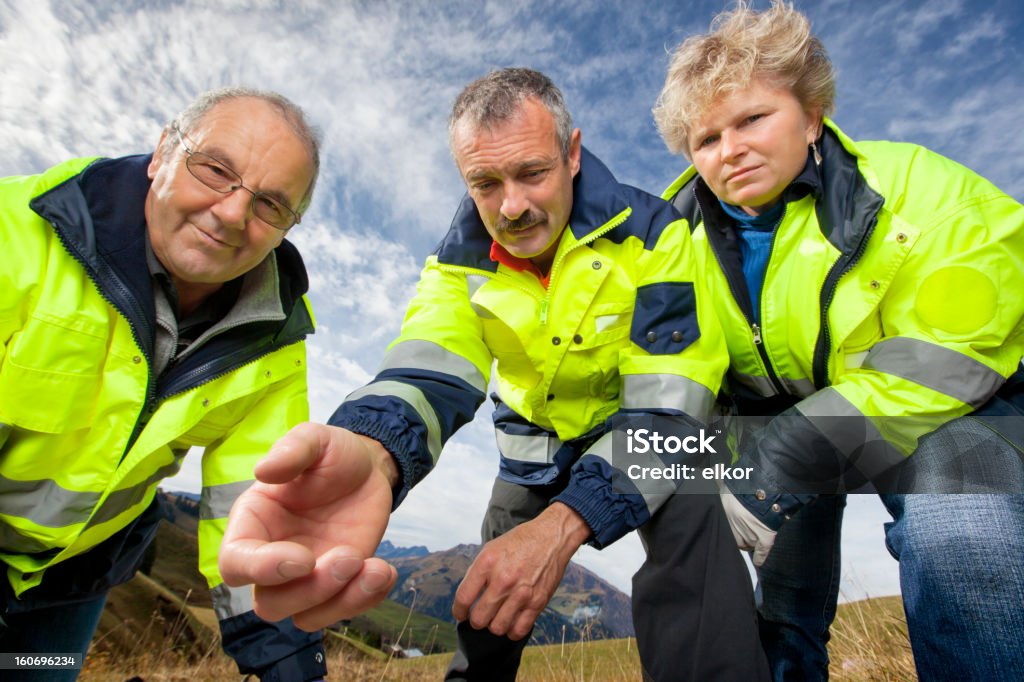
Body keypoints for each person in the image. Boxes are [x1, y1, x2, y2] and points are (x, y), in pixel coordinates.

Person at [220, 68, 770, 681]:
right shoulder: (455, 261)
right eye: (485, 183)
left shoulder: (660, 233)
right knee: (487, 597)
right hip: (530, 449)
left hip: (646, 435)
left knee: (693, 516)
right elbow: (431, 358)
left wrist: (565, 525)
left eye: (533, 173)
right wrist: (374, 449)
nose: (513, 206)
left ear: (573, 152)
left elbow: (675, 399)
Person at [653, 2, 1024, 680]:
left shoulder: (922, 190)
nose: (729, 149)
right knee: (776, 602)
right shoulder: (667, 246)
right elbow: (665, 373)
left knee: (963, 532)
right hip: (773, 420)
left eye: (752, 119)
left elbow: (956, 355)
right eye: (705, 139)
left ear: (812, 112)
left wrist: (779, 466)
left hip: (945, 413)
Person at [0, 87, 329, 681]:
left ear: (287, 228)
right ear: (161, 154)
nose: (232, 213)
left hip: (72, 585)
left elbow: (254, 502)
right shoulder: (14, 235)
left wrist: (284, 656)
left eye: (270, 205)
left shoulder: (275, 338)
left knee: (29, 672)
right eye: (215, 170)